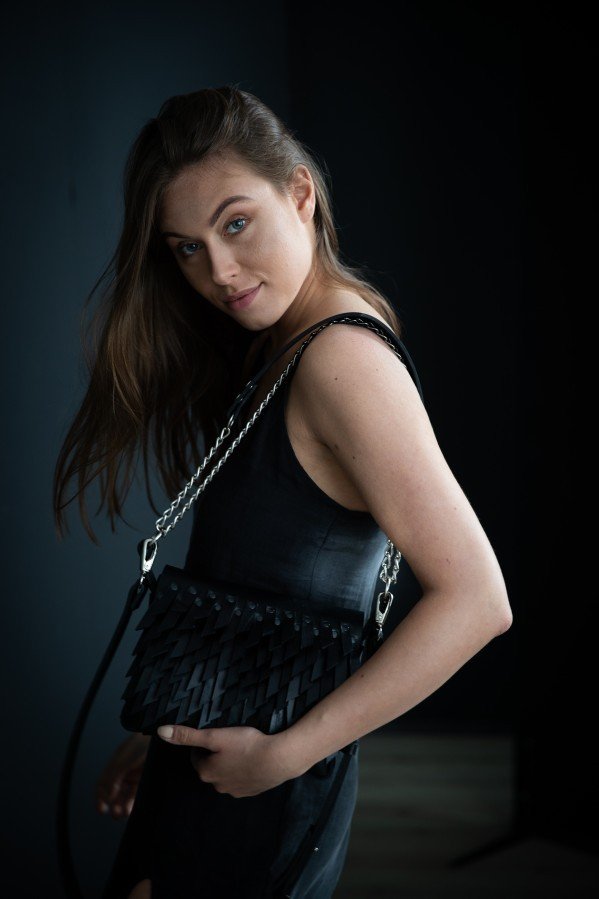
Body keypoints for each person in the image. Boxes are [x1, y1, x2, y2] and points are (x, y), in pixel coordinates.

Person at [53, 86, 513, 899]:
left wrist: (288, 754)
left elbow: (477, 598)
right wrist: (165, 730)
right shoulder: (282, 341)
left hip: (261, 786)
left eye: (235, 224)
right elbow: (253, 577)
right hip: (219, 758)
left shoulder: (341, 359)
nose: (218, 271)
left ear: (299, 193)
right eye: (185, 247)